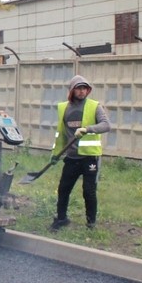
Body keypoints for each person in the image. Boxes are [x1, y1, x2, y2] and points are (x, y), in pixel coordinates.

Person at [51, 75, 112, 230]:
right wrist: (55, 154)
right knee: (63, 189)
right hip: (71, 157)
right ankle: (61, 219)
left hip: (90, 157)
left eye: (84, 88)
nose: (82, 91)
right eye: (78, 88)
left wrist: (88, 129)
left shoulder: (94, 106)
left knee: (89, 191)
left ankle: (91, 223)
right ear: (72, 90)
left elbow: (106, 125)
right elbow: (61, 134)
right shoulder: (63, 108)